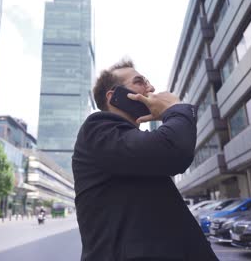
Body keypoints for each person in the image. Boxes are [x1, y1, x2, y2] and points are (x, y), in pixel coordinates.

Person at [72, 59, 218, 261]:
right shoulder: (97, 129)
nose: (151, 88)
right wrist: (176, 108)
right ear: (113, 97)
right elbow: (174, 150)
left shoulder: (128, 145)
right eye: (139, 82)